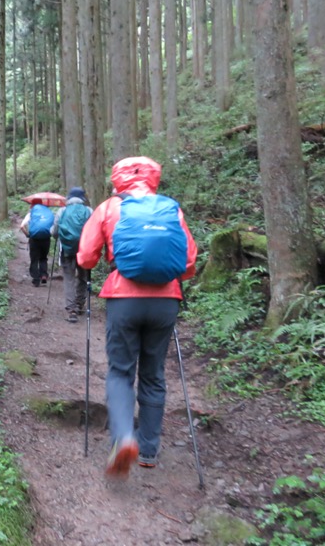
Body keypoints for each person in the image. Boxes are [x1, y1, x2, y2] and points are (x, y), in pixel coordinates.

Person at [77, 157, 197, 477]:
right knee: (154, 373)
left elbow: (87, 258)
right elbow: (188, 262)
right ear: (154, 178)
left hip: (123, 297)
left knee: (120, 371)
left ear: (117, 179)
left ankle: (123, 438)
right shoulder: (171, 209)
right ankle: (148, 449)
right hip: (166, 300)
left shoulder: (107, 208)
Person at [51, 187, 92, 323]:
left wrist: (56, 235)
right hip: (84, 250)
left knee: (69, 278)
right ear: (83, 198)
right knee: (82, 276)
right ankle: (80, 304)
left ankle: (71, 310)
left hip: (67, 250)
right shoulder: (89, 211)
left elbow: (55, 231)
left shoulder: (62, 211)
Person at [20, 201, 54, 287]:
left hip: (34, 239)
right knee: (43, 258)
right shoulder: (48, 212)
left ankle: (36, 279)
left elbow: (21, 226)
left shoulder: (31, 213)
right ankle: (43, 275)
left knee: (34, 259)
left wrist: (27, 235)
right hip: (46, 238)